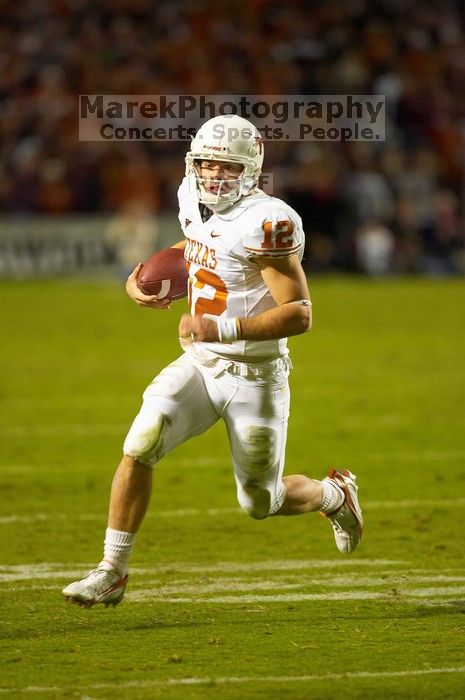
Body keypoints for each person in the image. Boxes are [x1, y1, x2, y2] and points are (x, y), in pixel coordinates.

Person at [63, 115, 363, 608]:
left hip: (256, 374)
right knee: (142, 440)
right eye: (204, 164)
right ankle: (111, 570)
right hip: (201, 362)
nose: (212, 175)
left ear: (249, 169)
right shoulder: (190, 195)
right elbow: (196, 247)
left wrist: (218, 326)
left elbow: (299, 313)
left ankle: (333, 496)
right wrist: (144, 277)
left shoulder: (270, 220)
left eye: (225, 166)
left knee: (259, 501)